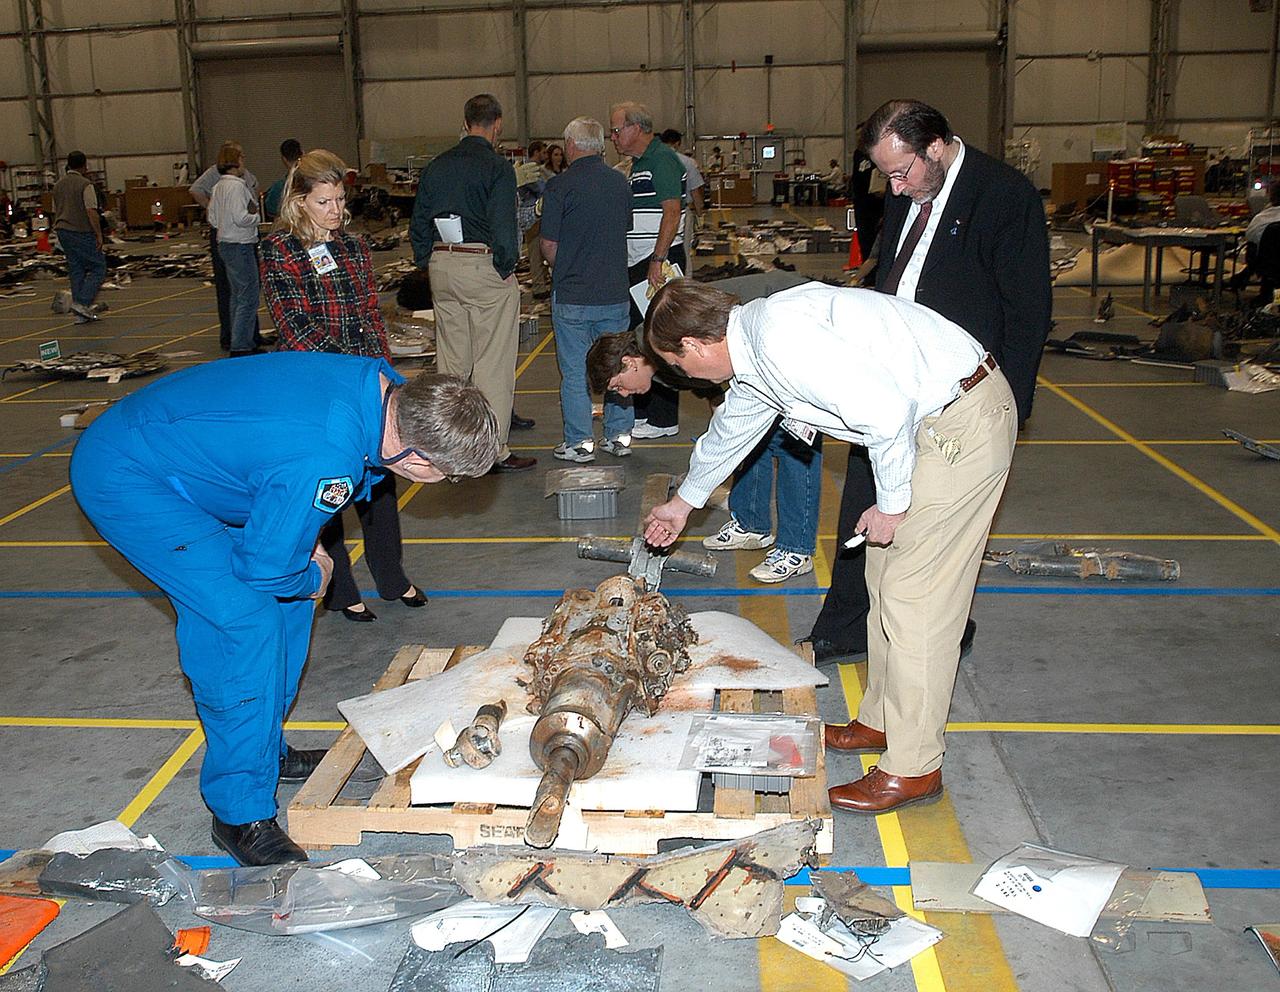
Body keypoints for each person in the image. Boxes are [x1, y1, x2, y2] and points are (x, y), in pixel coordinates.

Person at [71, 354, 500, 864]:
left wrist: (304, 570)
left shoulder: (390, 391)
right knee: (244, 622)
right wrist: (318, 572)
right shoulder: (322, 457)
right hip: (132, 474)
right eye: (446, 475)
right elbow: (266, 571)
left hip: (201, 454)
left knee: (294, 605)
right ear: (416, 459)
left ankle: (261, 751)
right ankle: (239, 813)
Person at [640, 279, 1017, 815]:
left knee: (917, 601)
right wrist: (684, 502)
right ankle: (884, 719)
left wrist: (891, 505)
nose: (685, 377)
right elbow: (733, 429)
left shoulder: (781, 340)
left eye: (678, 365)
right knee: (882, 578)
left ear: (696, 346)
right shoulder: (755, 351)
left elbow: (884, 414)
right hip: (926, 425)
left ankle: (915, 768)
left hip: (959, 424)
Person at [806, 99, 1050, 667]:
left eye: (901, 171)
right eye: (885, 174)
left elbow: (1028, 310)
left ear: (936, 146)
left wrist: (1010, 405)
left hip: (959, 390)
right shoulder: (907, 194)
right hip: (895, 377)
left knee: (939, 524)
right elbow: (896, 273)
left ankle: (944, 625)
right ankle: (848, 623)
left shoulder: (1002, 197)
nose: (893, 188)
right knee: (867, 500)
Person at [259, 149, 427, 623]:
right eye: (323, 203)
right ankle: (341, 587)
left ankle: (391, 576)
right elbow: (292, 323)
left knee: (381, 479)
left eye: (338, 201)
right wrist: (345, 376)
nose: (335, 212)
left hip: (363, 375)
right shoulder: (279, 250)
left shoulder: (353, 246)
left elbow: (371, 314)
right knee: (329, 483)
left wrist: (384, 372)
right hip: (317, 383)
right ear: (299, 202)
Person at [410, 93, 535, 474]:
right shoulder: (496, 166)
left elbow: (418, 220)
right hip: (482, 265)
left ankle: (444, 441)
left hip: (442, 264)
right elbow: (503, 223)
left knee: (451, 363)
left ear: (466, 123)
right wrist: (505, 264)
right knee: (492, 364)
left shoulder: (436, 166)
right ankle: (491, 450)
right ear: (496, 124)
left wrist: (425, 260)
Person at [539, 117, 634, 463]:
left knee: (576, 371)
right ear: (600, 146)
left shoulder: (559, 186)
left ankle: (580, 443)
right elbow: (624, 229)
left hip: (573, 296)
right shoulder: (620, 184)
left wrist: (564, 266)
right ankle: (619, 435)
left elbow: (548, 244)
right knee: (617, 364)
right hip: (613, 292)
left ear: (570, 146)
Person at [609, 101, 687, 441]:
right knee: (637, 337)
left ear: (636, 128)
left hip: (656, 262)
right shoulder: (636, 165)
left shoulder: (662, 160)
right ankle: (642, 410)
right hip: (638, 261)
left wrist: (657, 259)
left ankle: (664, 418)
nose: (613, 136)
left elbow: (672, 212)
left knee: (662, 336)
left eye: (616, 129)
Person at [190, 141, 260, 352]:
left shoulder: (218, 186)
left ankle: (235, 338)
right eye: (242, 157)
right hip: (240, 244)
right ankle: (242, 344)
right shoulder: (237, 186)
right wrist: (256, 218)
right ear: (236, 161)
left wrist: (225, 225)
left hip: (225, 244)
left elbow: (212, 217)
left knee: (235, 295)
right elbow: (241, 217)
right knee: (248, 295)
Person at [51, 150, 106, 324]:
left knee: (77, 270)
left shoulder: (58, 185)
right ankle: (82, 303)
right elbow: (91, 210)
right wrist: (98, 234)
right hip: (80, 231)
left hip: (62, 231)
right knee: (98, 267)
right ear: (84, 166)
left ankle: (79, 314)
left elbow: (55, 209)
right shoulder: (85, 184)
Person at [519, 140, 552, 300]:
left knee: (540, 252)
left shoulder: (540, 171)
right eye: (544, 152)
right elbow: (540, 190)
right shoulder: (529, 171)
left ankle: (542, 283)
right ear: (537, 152)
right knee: (535, 252)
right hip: (532, 215)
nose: (547, 156)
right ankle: (539, 287)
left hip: (539, 214)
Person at [660, 129, 706, 237]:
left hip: (659, 212)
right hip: (683, 211)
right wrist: (700, 216)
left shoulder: (654, 161)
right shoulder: (687, 162)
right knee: (683, 248)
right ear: (677, 143)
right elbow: (695, 191)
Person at [263, 138, 303, 221]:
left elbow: (270, 209)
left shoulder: (279, 187)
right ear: (302, 153)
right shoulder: (313, 182)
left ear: (283, 159)